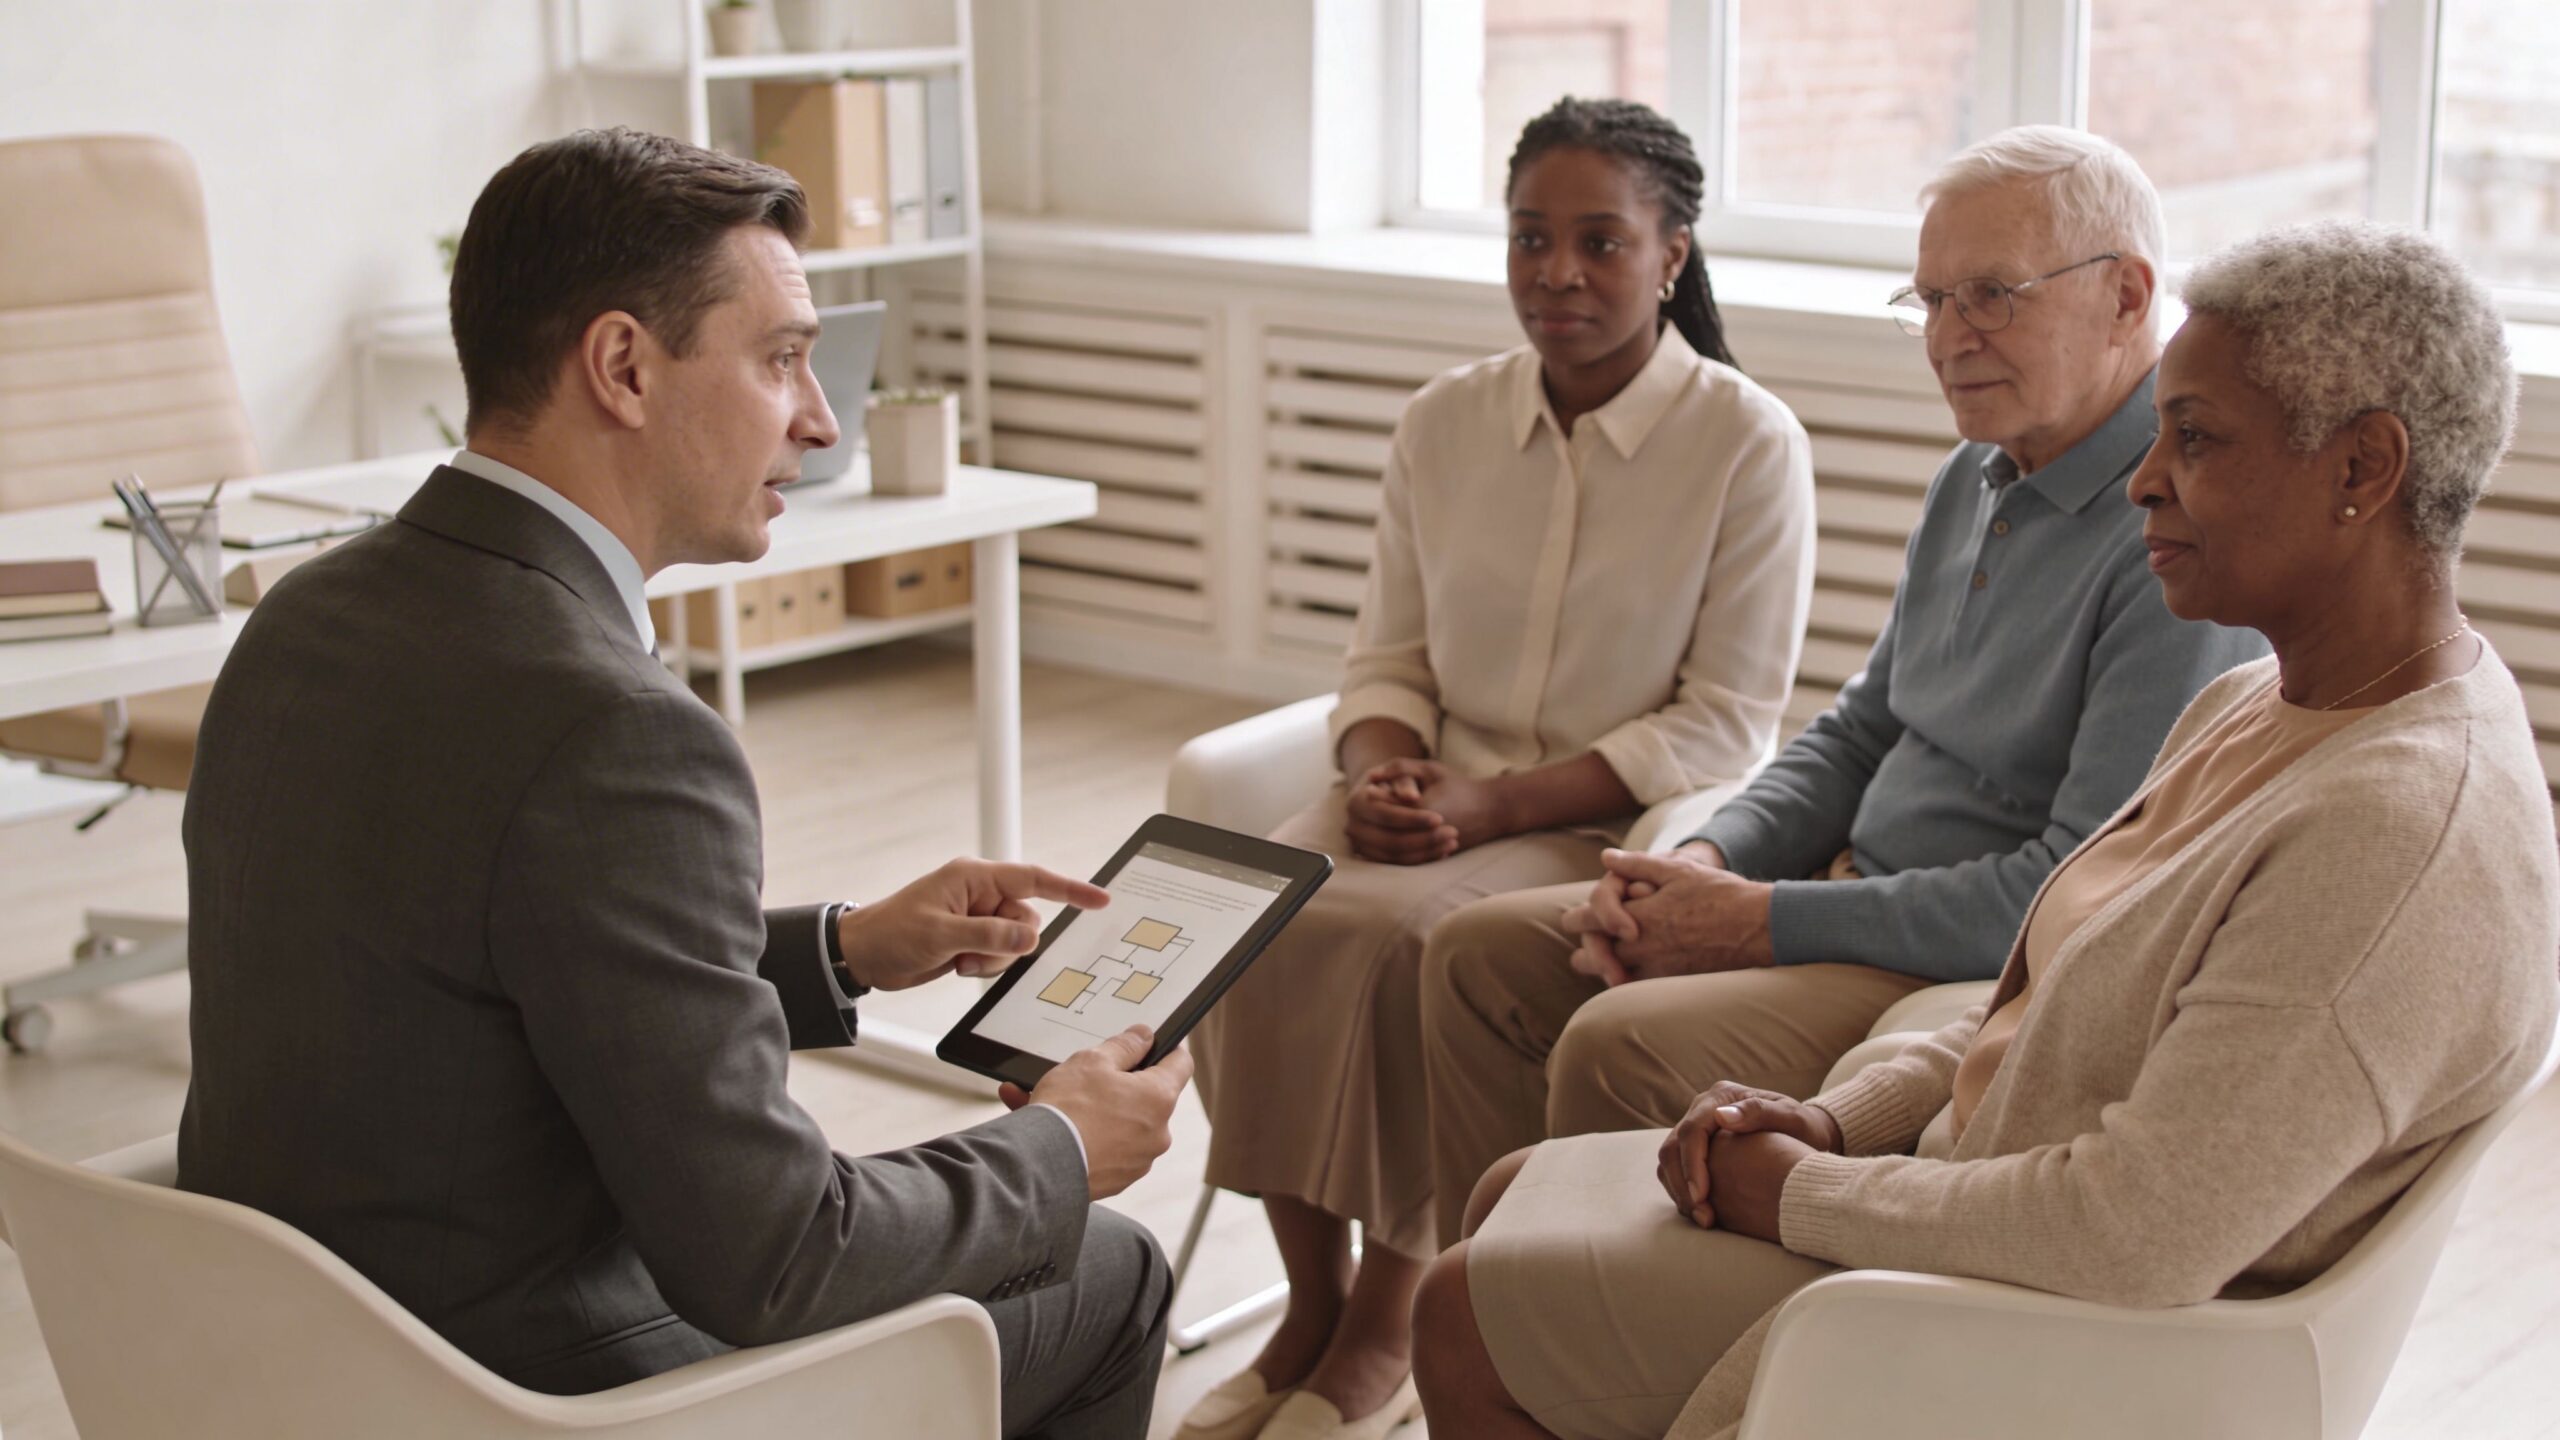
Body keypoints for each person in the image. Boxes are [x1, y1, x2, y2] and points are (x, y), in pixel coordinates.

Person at [1410, 219, 2560, 1440]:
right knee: (1504, 1195)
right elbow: (2049, 998)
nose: (2142, 480)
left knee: (1462, 1307)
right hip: (1981, 1231)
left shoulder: (2386, 836)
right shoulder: (2263, 701)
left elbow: (2137, 1231)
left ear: (2362, 471)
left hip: (2039, 1340)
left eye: (2198, 439)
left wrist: (1807, 1191)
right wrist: (1839, 1121)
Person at [177, 129, 1188, 1440]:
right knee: (1107, 1272)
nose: (821, 420)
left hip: (285, 1351)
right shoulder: (615, 731)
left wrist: (844, 951)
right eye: (781, 359)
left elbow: (482, 977)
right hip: (508, 1390)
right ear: (622, 368)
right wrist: (1060, 1150)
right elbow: (781, 1261)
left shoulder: (304, 615)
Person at [1418, 126, 2269, 1244]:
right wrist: (1702, 862)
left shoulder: (2172, 535)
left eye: (1991, 296)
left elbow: (2061, 896)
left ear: (2126, 296)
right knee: (1473, 955)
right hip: (1840, 887)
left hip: (1951, 963)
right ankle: (1479, 1314)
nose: (1950, 341)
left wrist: (1757, 923)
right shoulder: (1978, 470)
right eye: (1930, 302)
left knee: (1610, 1040)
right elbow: (1865, 726)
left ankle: (1590, 1363)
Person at [1177, 97, 1817, 1440]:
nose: (1559, 275)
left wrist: (1496, 807)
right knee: (1269, 907)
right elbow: (1386, 658)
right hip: (1433, 794)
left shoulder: (1749, 444)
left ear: (1673, 256)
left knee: (1414, 946)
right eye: (1532, 239)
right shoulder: (1445, 422)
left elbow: (1724, 723)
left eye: (1600, 242)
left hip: (1602, 819)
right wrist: (1385, 770)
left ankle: (1392, 1324)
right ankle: (1311, 1301)